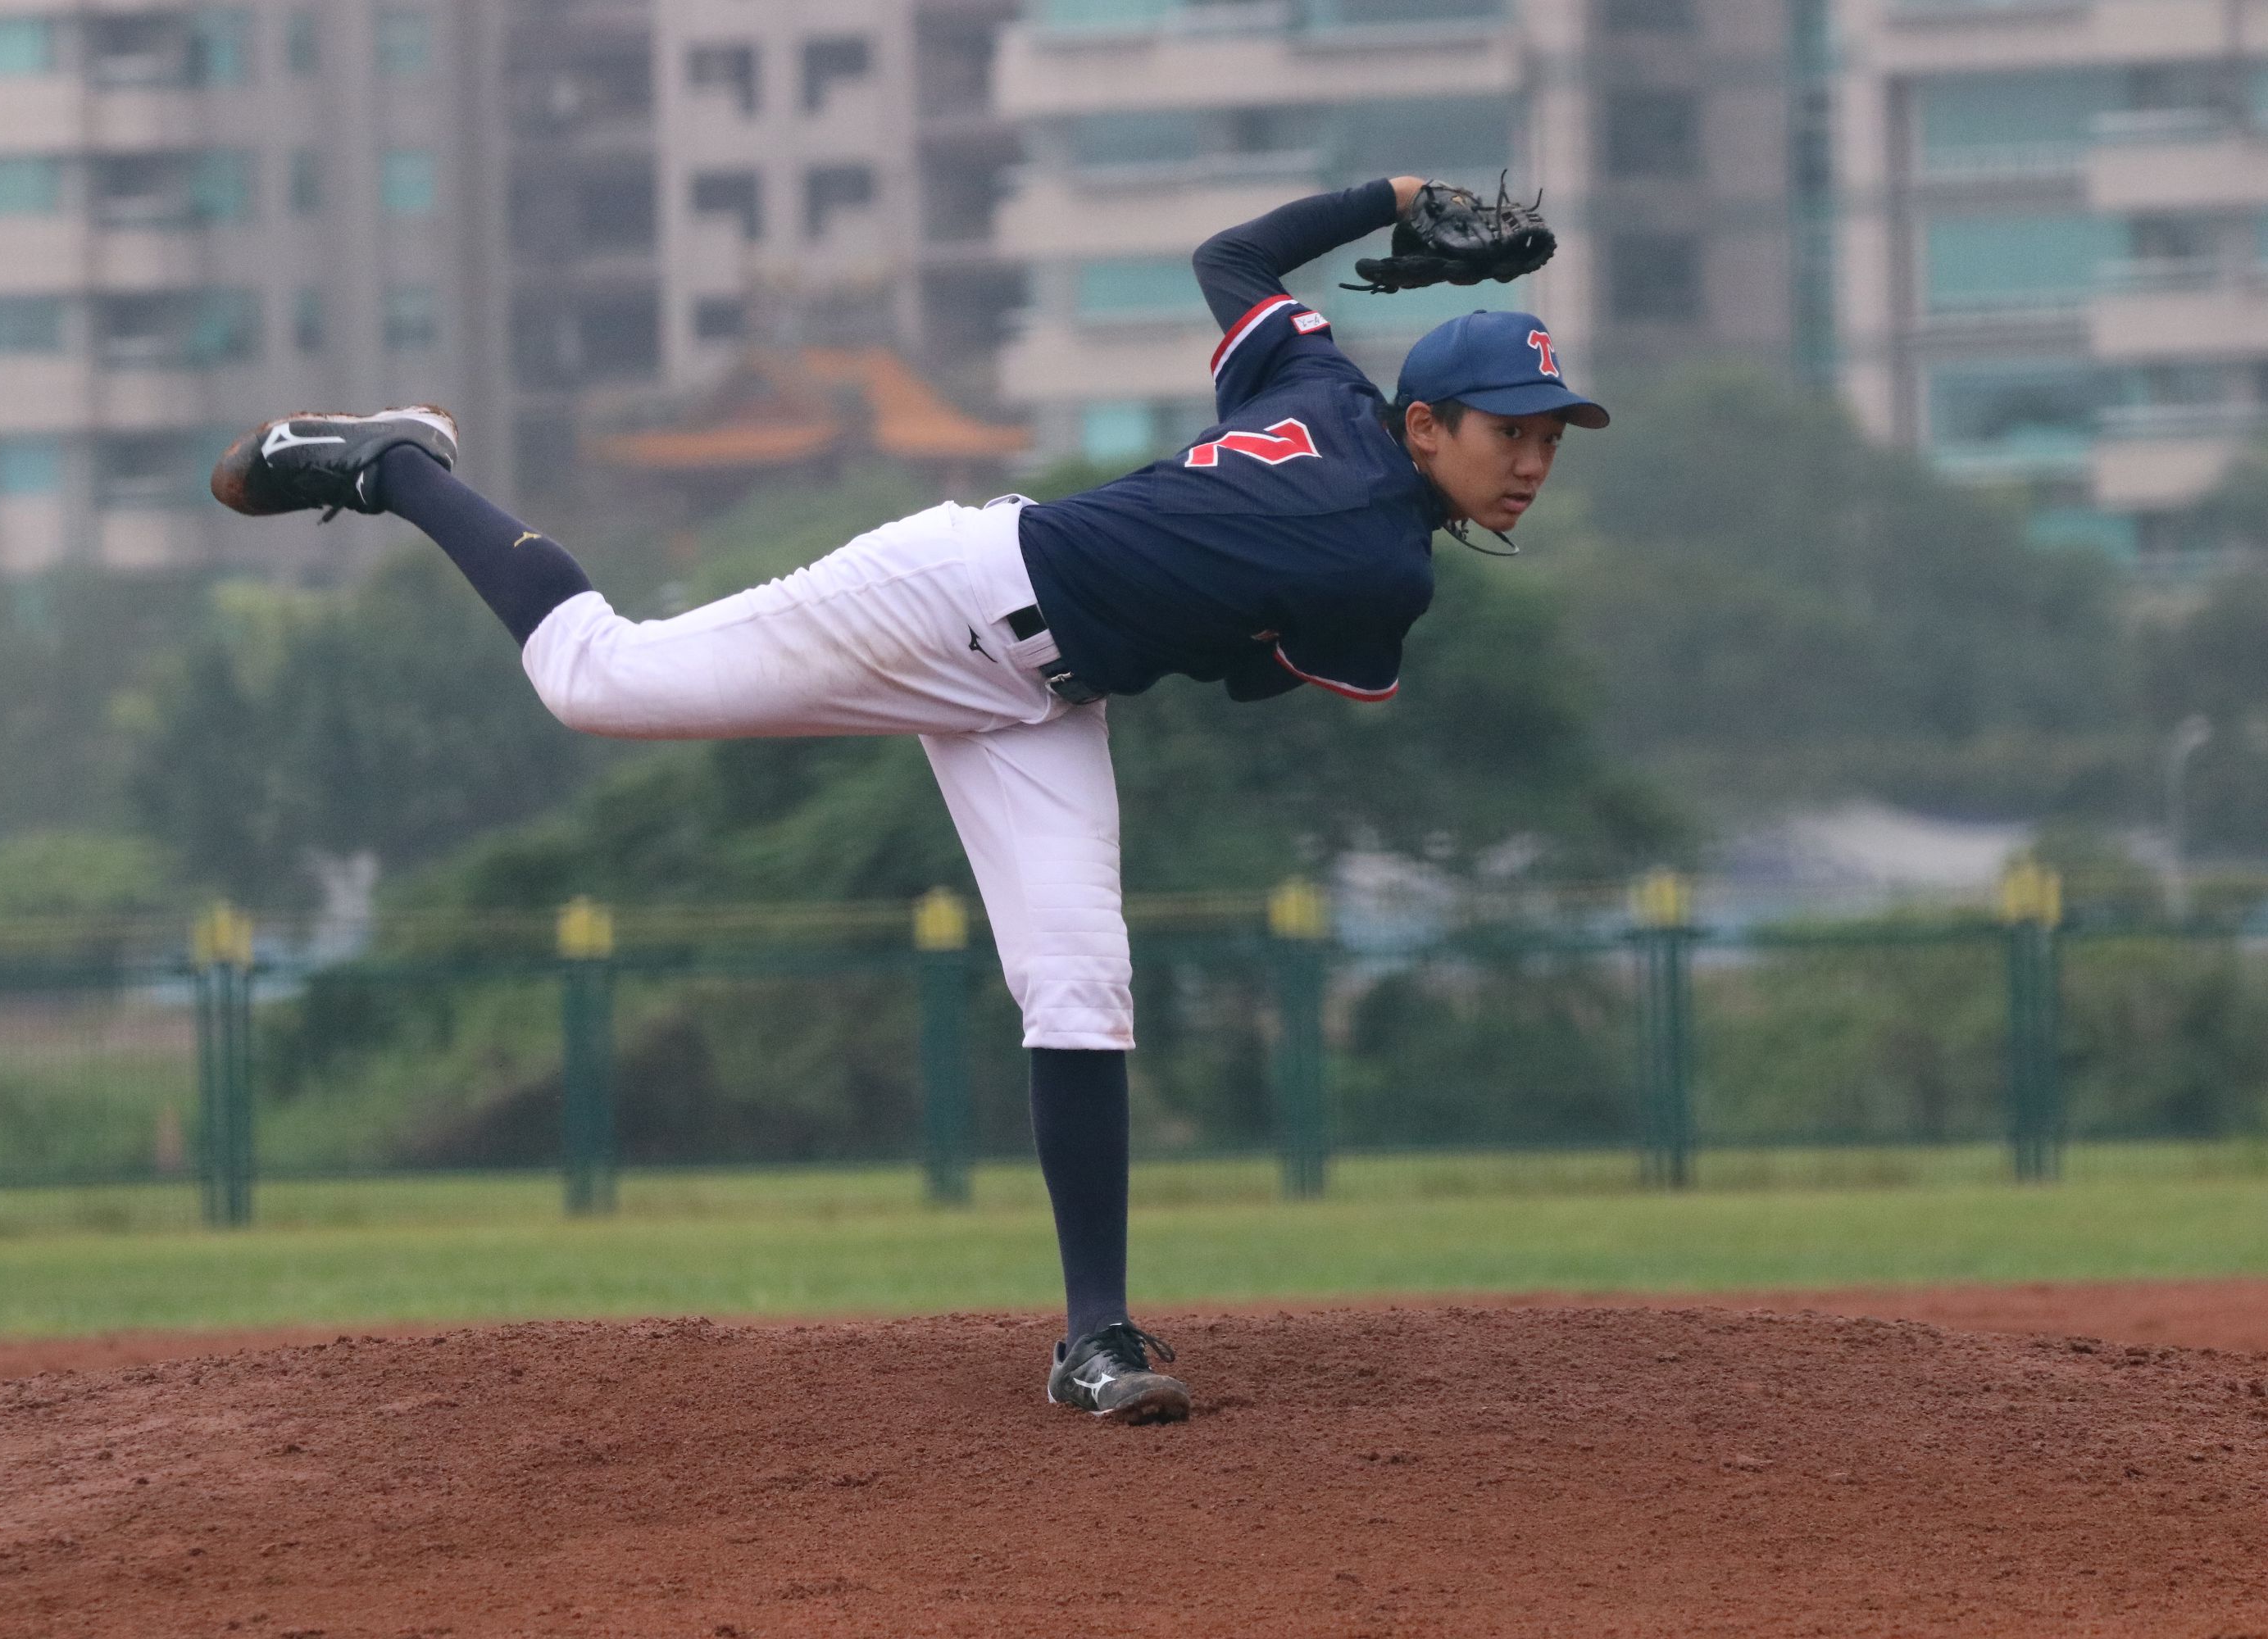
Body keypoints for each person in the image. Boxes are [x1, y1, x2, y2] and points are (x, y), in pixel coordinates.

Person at [211, 174, 1608, 1425]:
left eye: (1552, 436)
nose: (1534, 462)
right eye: (1510, 431)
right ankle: (400, 463)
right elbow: (1263, 674)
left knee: (1080, 986)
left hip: (1043, 695)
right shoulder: (1387, 570)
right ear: (1425, 424)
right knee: (597, 678)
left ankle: (1097, 1337)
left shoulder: (1319, 389)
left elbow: (1232, 256)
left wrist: (1394, 195)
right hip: (952, 596)